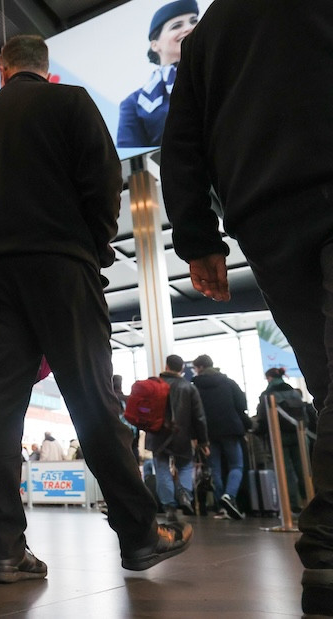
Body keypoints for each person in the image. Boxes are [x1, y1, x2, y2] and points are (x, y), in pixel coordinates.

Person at [0, 34, 191, 584]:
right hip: (62, 266)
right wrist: (93, 247)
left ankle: (3, 550)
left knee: (0, 410)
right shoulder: (73, 102)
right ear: (44, 69)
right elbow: (106, 182)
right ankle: (139, 535)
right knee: (91, 398)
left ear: (3, 69)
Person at [160, 2, 333, 612]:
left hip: (266, 215)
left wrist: (198, 238)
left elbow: (179, 145)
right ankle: (330, 551)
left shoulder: (213, 35)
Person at [117, 0, 199, 148]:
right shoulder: (133, 104)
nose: (189, 28)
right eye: (177, 26)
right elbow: (131, 155)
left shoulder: (221, 72)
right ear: (155, 45)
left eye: (194, 21)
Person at [146, 355, 209, 522]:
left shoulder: (153, 384)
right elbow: (199, 417)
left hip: (157, 434)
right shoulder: (188, 387)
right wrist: (203, 441)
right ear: (182, 369)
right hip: (181, 434)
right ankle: (184, 494)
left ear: (166, 366)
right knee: (185, 466)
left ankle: (169, 506)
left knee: (162, 468)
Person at [189, 355, 246, 520]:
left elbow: (194, 414)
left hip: (208, 433)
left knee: (215, 469)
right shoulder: (228, 382)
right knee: (236, 465)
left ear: (199, 368)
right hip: (231, 429)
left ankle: (222, 508)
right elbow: (242, 404)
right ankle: (229, 495)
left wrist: (197, 437)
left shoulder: (195, 387)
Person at [254, 368, 316, 514]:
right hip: (300, 435)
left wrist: (259, 432)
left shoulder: (268, 394)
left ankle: (292, 506)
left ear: (269, 378)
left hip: (279, 436)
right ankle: (310, 501)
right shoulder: (294, 392)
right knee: (303, 469)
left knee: (285, 471)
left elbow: (262, 418)